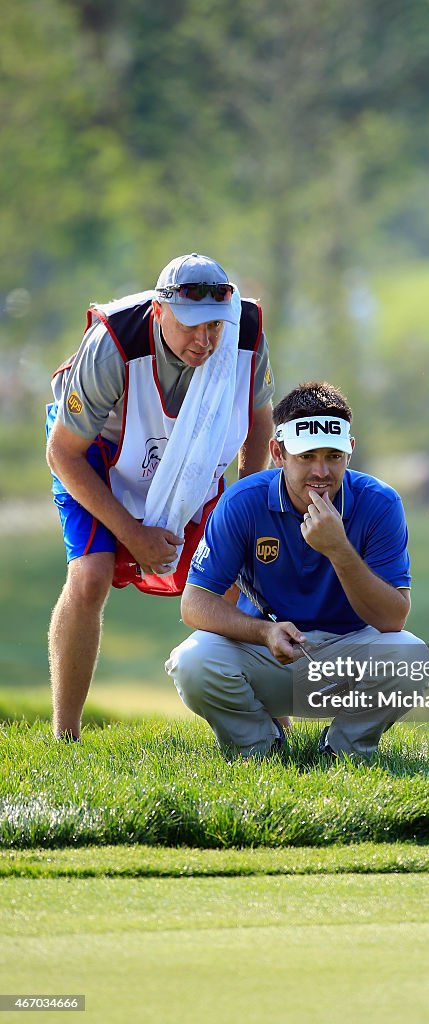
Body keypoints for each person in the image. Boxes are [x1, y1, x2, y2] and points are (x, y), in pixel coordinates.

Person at [45, 253, 275, 740]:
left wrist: (250, 505)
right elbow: (62, 452)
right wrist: (132, 533)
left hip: (195, 450)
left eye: (214, 326)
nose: (205, 340)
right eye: (191, 325)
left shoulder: (247, 331)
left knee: (237, 578)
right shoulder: (112, 344)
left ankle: (265, 726)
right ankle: (66, 735)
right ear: (160, 311)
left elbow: (258, 422)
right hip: (100, 453)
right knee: (89, 577)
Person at [166, 381, 429, 758]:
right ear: (278, 452)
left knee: (413, 659)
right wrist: (263, 631)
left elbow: (393, 619)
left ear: (349, 452)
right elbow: (194, 604)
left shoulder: (380, 503)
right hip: (268, 653)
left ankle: (344, 748)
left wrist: (339, 550)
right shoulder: (243, 502)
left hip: (348, 656)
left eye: (332, 456)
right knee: (192, 661)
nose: (321, 471)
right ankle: (259, 746)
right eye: (306, 456)